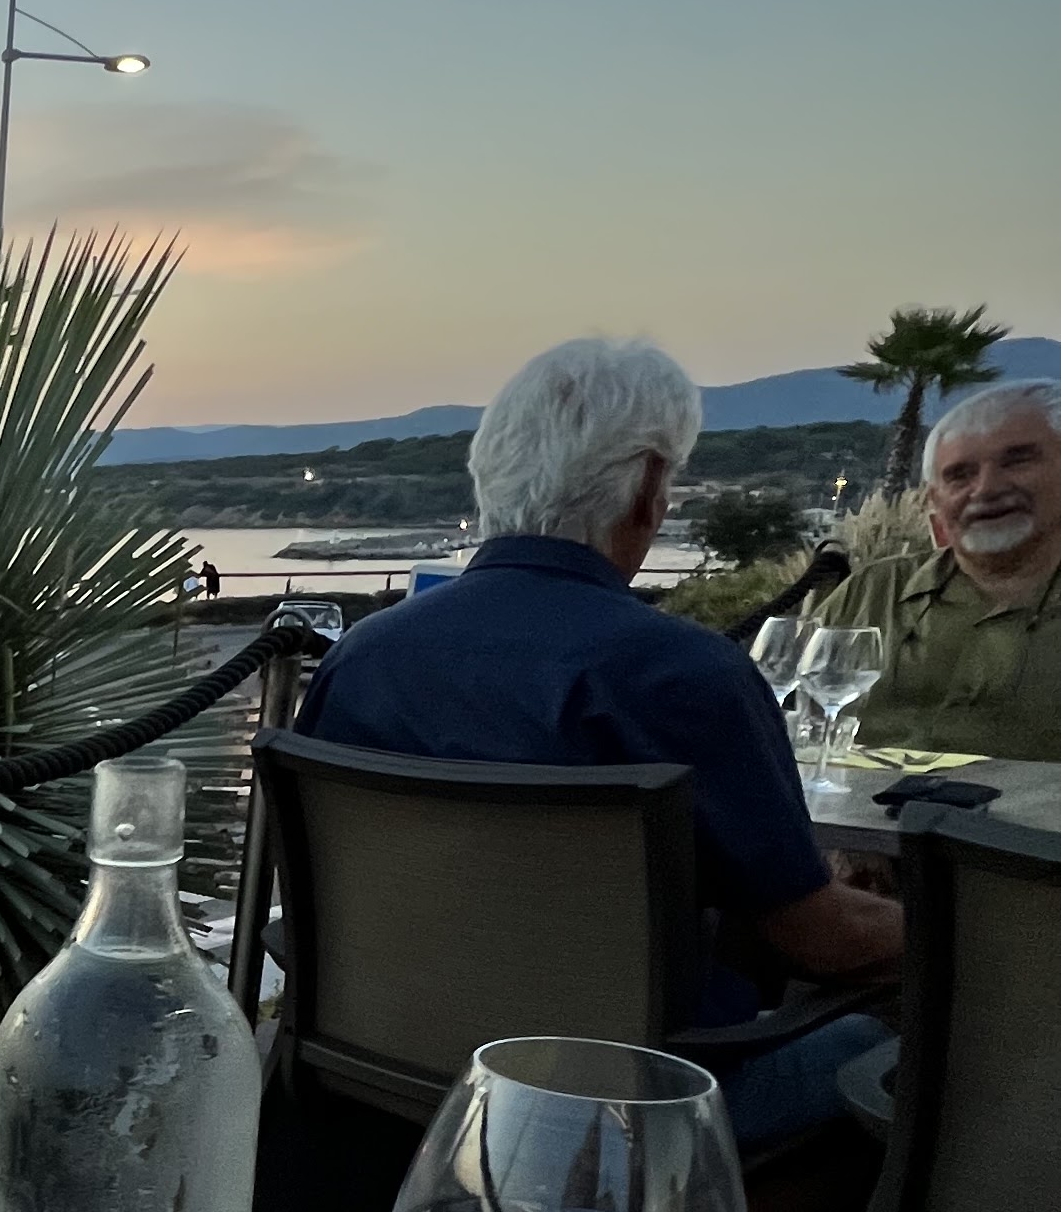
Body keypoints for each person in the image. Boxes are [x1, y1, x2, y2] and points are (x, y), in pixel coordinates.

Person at [298, 335, 899, 1143]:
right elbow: (817, 941)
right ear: (648, 486)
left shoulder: (363, 658)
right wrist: (958, 932)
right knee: (889, 1046)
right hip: (622, 1119)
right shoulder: (682, 675)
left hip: (388, 1084)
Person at [806, 379, 1061, 762]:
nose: (986, 488)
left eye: (1017, 461)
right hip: (858, 801)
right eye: (959, 475)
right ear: (935, 501)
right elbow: (782, 710)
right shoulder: (874, 590)